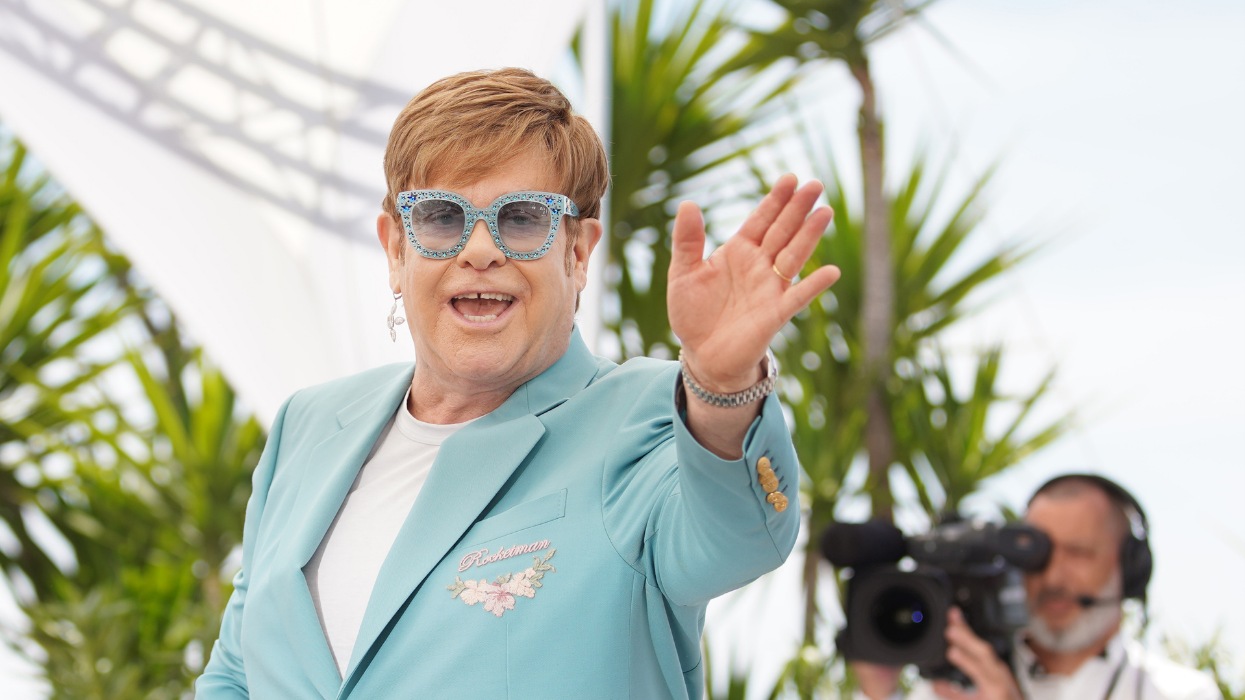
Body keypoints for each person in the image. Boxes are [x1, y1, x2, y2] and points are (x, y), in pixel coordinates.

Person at [194, 68, 841, 699]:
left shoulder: (642, 415)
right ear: (395, 249)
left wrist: (721, 384)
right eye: (443, 217)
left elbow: (737, 539)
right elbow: (239, 671)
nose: (480, 250)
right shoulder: (308, 425)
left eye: (523, 218)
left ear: (578, 251)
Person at [853, 474, 1222, 700]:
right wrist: (878, 693)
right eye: (1037, 551)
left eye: (1079, 553)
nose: (1052, 575)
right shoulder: (954, 688)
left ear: (1130, 568)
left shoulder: (1181, 694)